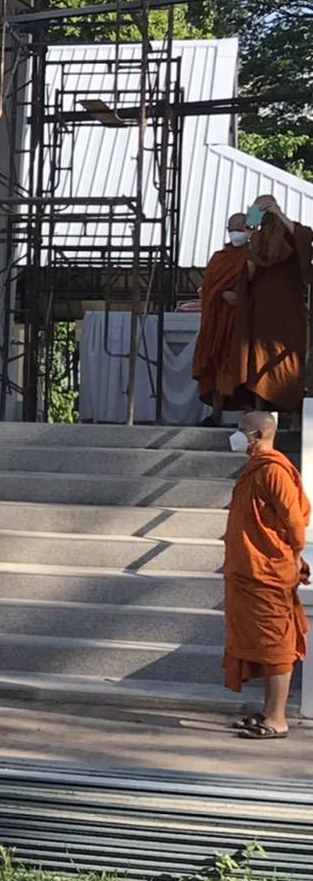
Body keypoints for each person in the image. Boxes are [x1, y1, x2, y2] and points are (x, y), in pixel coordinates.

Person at [222, 410, 310, 740]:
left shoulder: (273, 470)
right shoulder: (256, 468)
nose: (236, 434)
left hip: (269, 571)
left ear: (258, 435)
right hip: (249, 569)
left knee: (276, 645)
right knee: (262, 643)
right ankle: (268, 710)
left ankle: (277, 719)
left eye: (242, 429)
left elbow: (295, 523)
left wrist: (294, 557)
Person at [241, 194, 313, 414]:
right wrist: (250, 238)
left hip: (288, 305)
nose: (263, 214)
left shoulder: (290, 233)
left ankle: (294, 413)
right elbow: (249, 274)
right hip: (263, 307)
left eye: (265, 209)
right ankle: (259, 409)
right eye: (258, 210)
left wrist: (278, 214)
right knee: (260, 356)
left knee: (290, 360)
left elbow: (304, 238)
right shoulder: (257, 238)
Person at [191, 212, 250, 425]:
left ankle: (250, 416)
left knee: (246, 367)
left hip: (245, 323)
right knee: (218, 363)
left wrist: (242, 297)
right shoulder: (219, 258)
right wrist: (222, 293)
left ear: (249, 230)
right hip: (221, 321)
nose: (236, 233)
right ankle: (216, 414)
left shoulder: (255, 255)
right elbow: (207, 288)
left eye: (240, 229)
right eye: (232, 229)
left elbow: (263, 287)